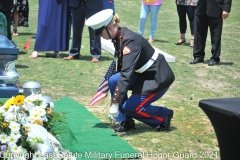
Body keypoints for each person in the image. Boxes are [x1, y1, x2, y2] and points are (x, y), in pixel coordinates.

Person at [86, 9, 175, 132]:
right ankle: (126, 121)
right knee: (113, 80)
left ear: (109, 28)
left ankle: (163, 115)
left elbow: (126, 75)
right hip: (142, 74)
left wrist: (115, 103)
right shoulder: (119, 36)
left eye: (100, 33)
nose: (100, 36)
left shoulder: (129, 42)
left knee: (131, 107)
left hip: (156, 78)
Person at [190, 0, 232, 66]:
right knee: (198, 34)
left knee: (216, 35)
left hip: (216, 8)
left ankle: (215, 58)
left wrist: (226, 9)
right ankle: (198, 56)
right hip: (201, 8)